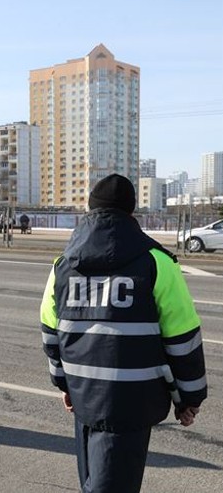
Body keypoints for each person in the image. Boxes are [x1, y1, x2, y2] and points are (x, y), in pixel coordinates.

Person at [40, 174, 206, 493]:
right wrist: (189, 399)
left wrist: (65, 383)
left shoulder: (63, 265)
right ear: (132, 214)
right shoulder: (157, 263)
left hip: (85, 398)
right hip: (133, 404)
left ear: (90, 211)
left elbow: (50, 331)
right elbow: (183, 338)